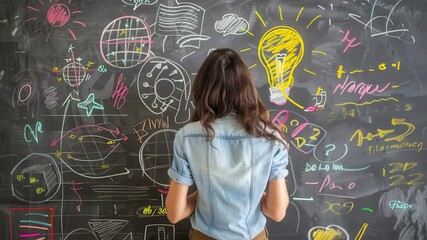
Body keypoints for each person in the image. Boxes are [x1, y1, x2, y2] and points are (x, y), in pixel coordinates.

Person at [165, 48, 290, 240]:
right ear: (247, 87)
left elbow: (175, 213)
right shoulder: (271, 138)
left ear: (203, 88)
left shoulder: (187, 137)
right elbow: (276, 212)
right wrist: (248, 193)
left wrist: (209, 193)